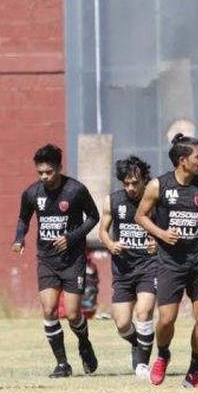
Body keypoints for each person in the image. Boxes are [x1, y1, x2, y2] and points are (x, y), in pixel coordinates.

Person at [135, 134, 198, 388]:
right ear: (183, 160)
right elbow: (141, 216)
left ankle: (194, 372)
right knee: (166, 319)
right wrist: (161, 234)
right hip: (170, 263)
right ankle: (162, 355)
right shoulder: (158, 185)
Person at [12, 144, 99, 378]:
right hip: (47, 260)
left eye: (49, 172)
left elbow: (94, 217)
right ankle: (62, 364)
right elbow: (23, 219)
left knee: (72, 315)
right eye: (40, 172)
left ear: (59, 168)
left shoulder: (76, 190)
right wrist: (19, 239)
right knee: (49, 309)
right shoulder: (32, 193)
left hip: (73, 260)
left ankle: (84, 343)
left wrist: (71, 238)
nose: (45, 177)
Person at [98, 155, 157, 379]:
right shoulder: (112, 201)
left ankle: (142, 366)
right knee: (122, 324)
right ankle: (138, 344)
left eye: (135, 182)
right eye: (126, 183)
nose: (131, 187)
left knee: (143, 313)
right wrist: (111, 244)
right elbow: (103, 230)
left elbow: (170, 230)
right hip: (122, 270)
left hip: (148, 266)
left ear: (144, 179)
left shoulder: (155, 200)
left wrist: (157, 244)